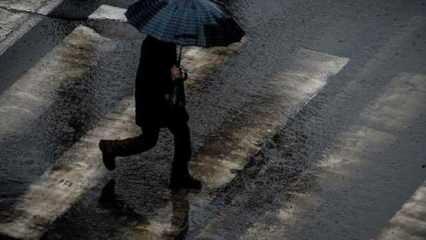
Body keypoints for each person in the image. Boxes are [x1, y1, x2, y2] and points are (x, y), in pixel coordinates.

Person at [98, 36, 202, 190]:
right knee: (149, 139)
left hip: (166, 98)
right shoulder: (153, 44)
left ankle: (180, 176)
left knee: (182, 133)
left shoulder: (166, 39)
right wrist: (171, 74)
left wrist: (178, 73)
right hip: (153, 99)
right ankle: (111, 148)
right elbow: (152, 73)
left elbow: (169, 67)